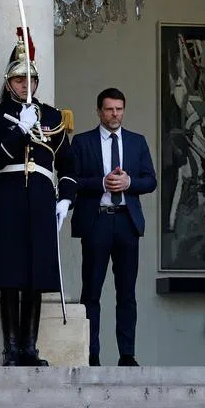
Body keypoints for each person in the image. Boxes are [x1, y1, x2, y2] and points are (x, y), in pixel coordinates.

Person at [0, 29, 77, 366]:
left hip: (42, 197)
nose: (25, 85)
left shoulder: (55, 117)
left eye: (31, 79)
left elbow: (68, 164)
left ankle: (30, 348)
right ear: (8, 82)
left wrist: (65, 199)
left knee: (34, 277)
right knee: (10, 277)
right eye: (19, 80)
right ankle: (11, 349)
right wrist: (19, 128)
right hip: (9, 197)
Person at [71, 87, 157, 367]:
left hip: (126, 221)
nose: (115, 114)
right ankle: (91, 353)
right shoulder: (82, 142)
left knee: (127, 293)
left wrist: (129, 183)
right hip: (97, 220)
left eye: (119, 108)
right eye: (109, 109)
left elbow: (150, 181)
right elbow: (70, 181)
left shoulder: (137, 141)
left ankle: (127, 354)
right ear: (99, 111)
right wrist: (101, 183)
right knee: (91, 292)